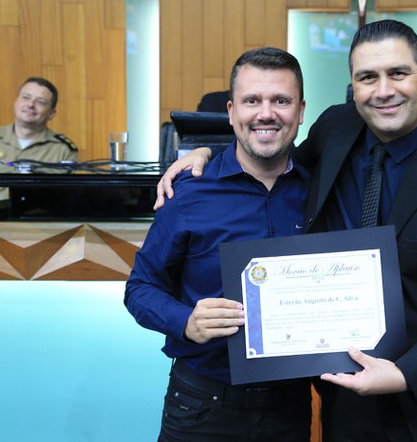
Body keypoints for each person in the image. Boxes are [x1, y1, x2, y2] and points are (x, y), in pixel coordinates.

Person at [156, 20, 417, 442]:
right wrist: (206, 152)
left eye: (398, 73)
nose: (383, 90)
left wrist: (405, 373)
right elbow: (273, 155)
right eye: (368, 77)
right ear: (353, 85)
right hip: (344, 401)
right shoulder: (336, 129)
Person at [124, 47, 312, 442]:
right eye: (251, 101)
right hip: (203, 404)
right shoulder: (188, 191)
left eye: (281, 101)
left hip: (290, 405)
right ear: (231, 112)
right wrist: (185, 322)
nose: (266, 113)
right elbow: (140, 288)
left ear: (300, 111)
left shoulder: (323, 187)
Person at [0, 77, 78, 200]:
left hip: (39, 215)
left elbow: (70, 198)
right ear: (16, 102)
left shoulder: (63, 150)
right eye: (26, 97)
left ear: (51, 113)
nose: (30, 104)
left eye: (40, 102)